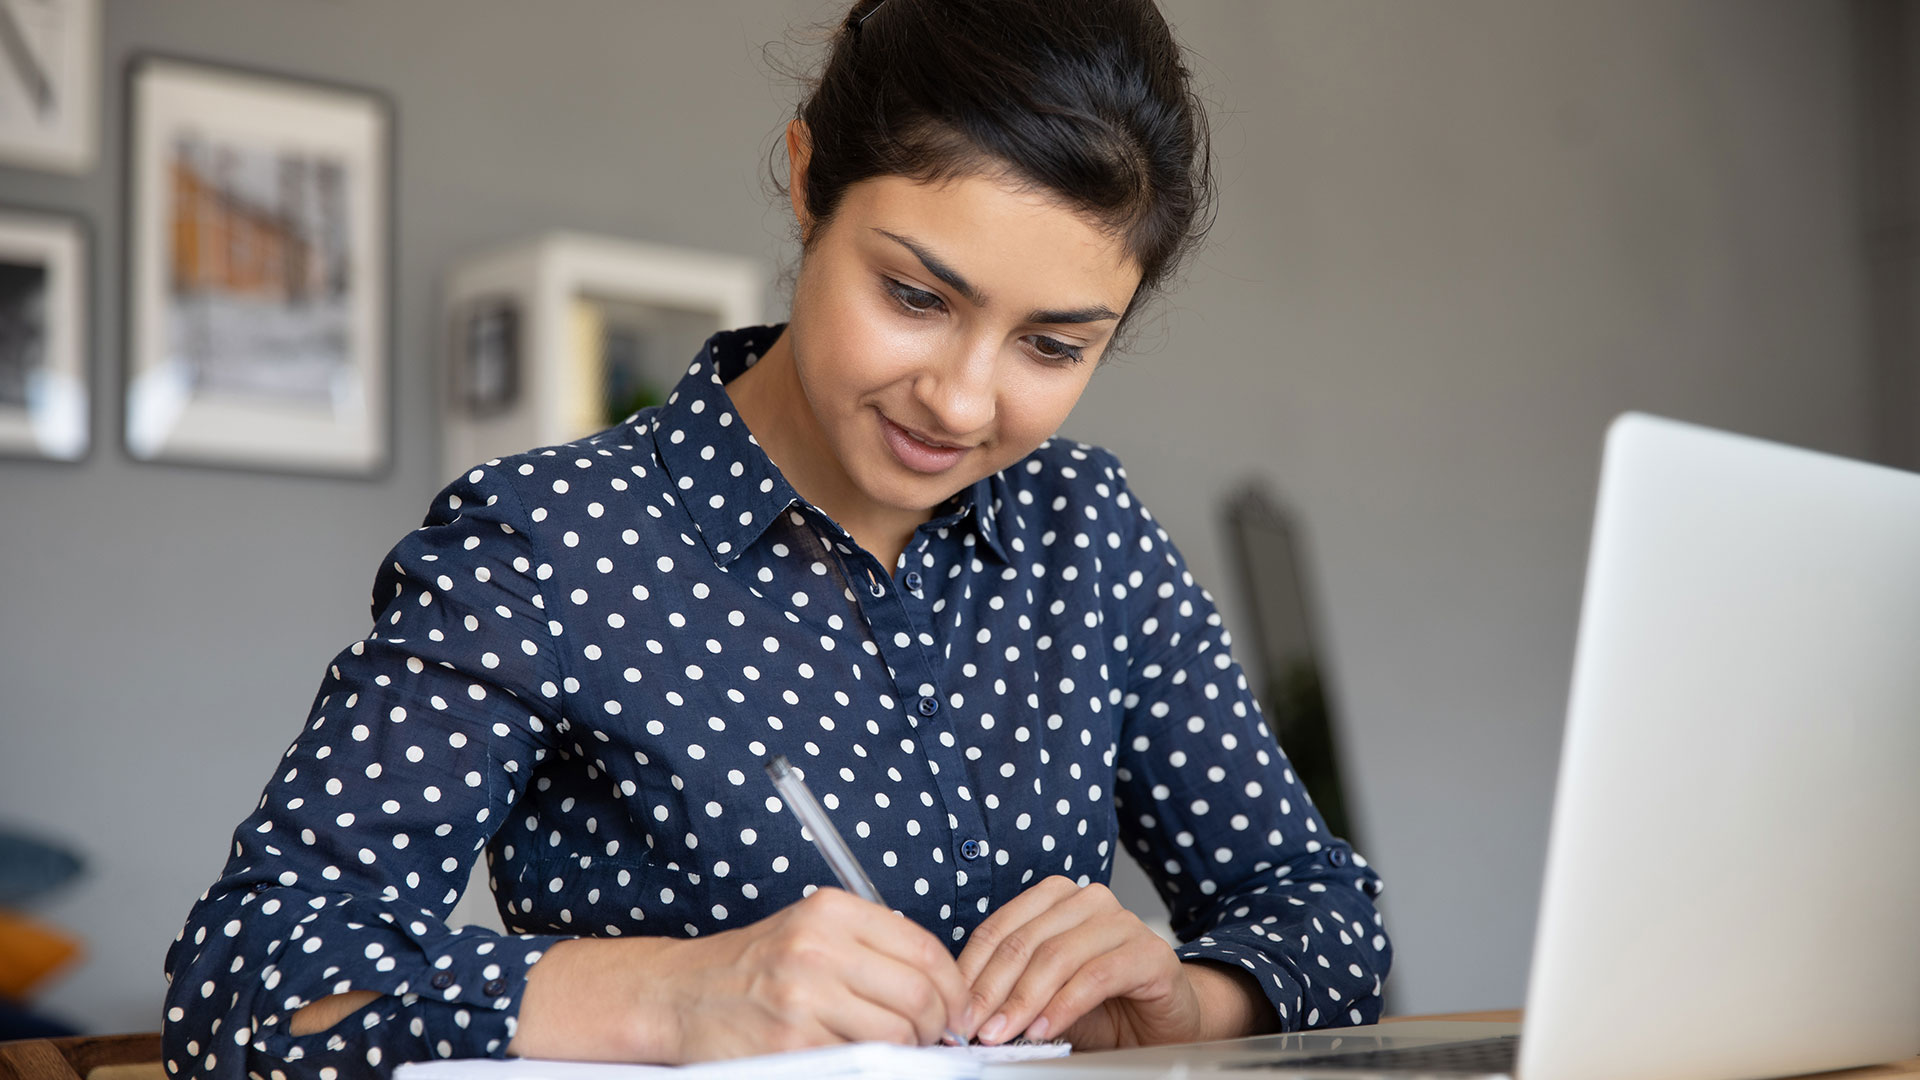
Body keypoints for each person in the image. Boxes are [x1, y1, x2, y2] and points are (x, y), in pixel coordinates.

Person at [162, 1, 1392, 1075]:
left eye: (1053, 346)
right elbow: (247, 982)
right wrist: (672, 997)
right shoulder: (549, 542)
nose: (963, 401)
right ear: (808, 180)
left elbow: (1325, 915)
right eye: (917, 297)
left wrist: (1187, 1001)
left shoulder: (1088, 536)